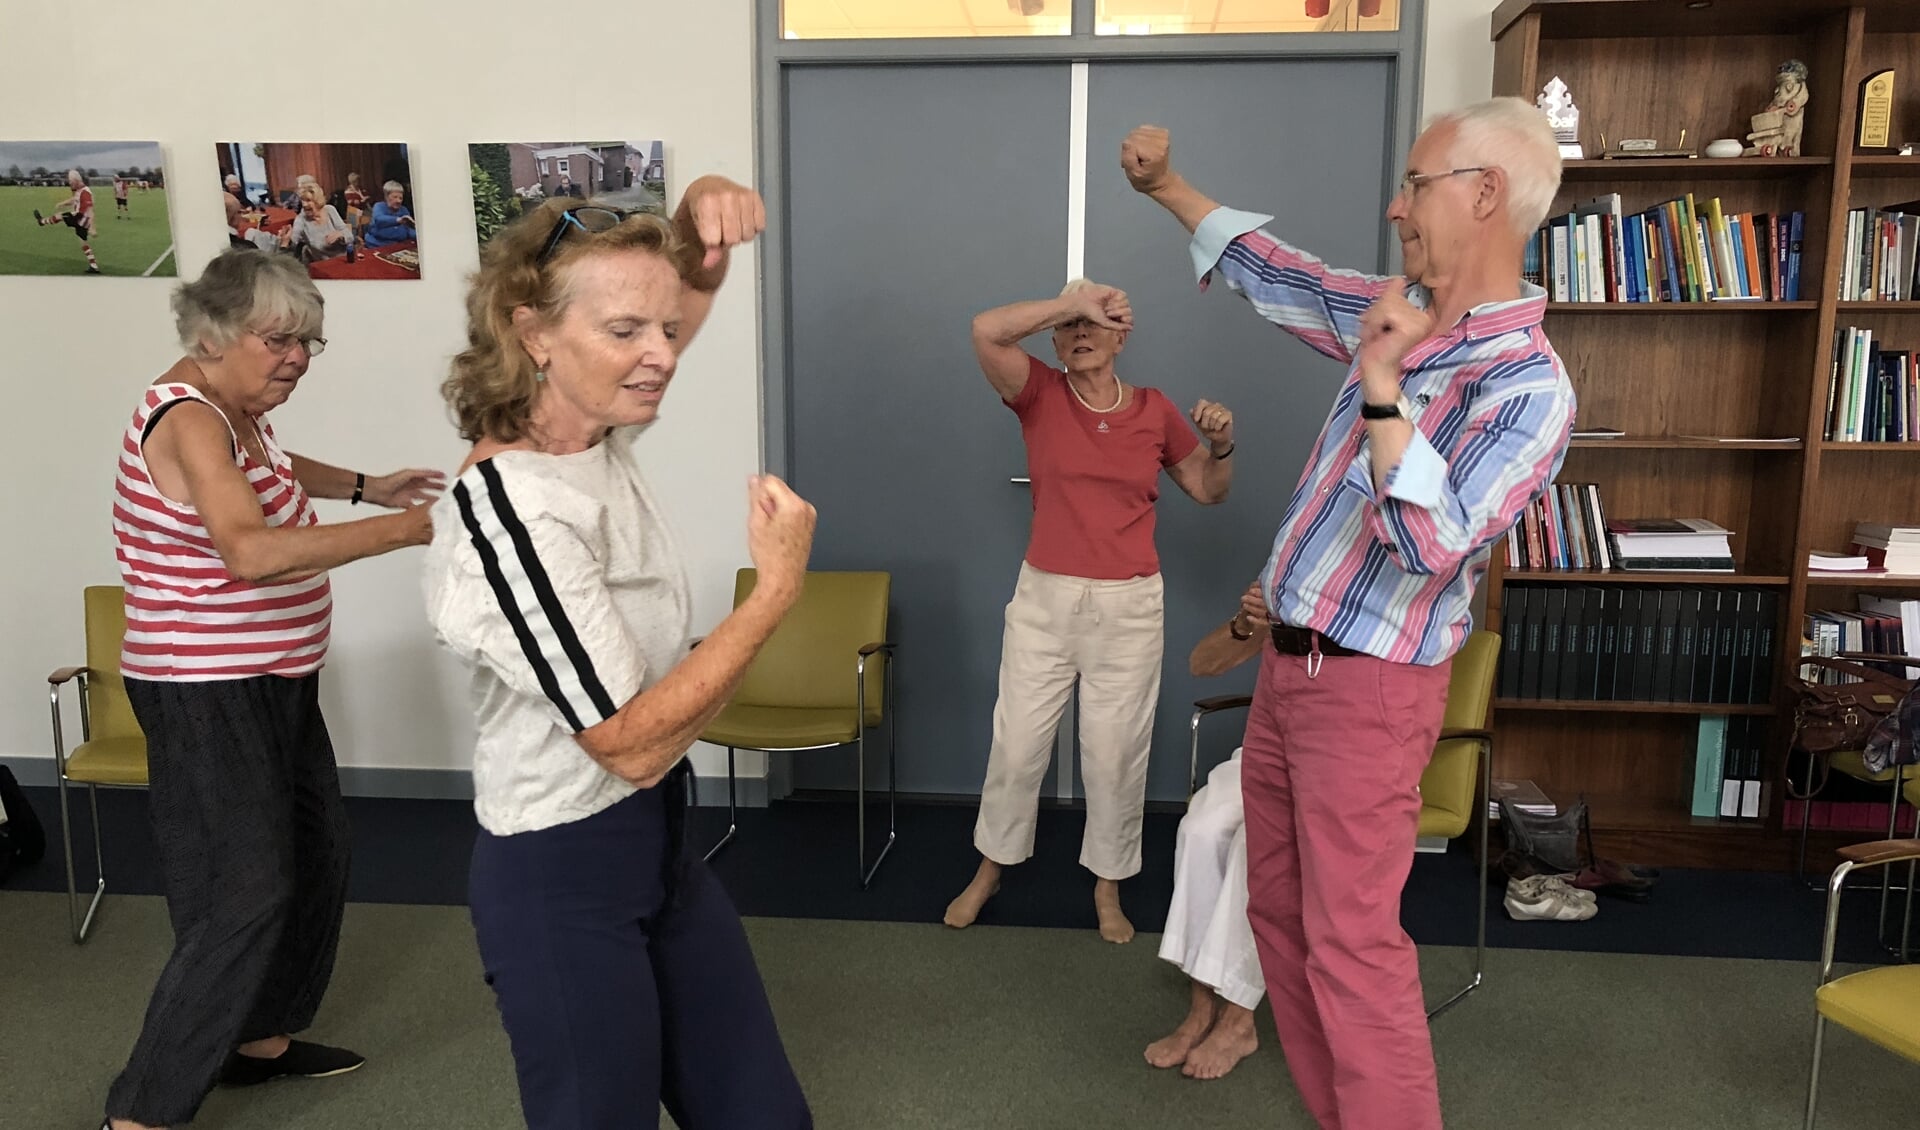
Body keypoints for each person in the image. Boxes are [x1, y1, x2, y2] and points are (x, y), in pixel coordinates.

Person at [1121, 97, 1575, 1130]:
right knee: (1279, 918)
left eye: (1415, 184)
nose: (1395, 205)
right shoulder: (1398, 304)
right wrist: (1166, 189)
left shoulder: (1526, 386)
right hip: (1289, 673)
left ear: (1486, 193)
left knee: (1354, 947)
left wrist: (1381, 383)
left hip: (1370, 690)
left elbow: (1428, 546)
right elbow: (1283, 275)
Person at [423, 179, 813, 1129]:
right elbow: (631, 742)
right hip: (561, 870)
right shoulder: (513, 512)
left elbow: (668, 305)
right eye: (627, 333)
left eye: (668, 330)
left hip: (659, 838)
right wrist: (775, 594)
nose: (661, 358)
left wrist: (696, 225)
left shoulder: (590, 430)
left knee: (762, 1117)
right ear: (535, 335)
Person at [101, 249, 446, 1130]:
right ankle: (139, 1113)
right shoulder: (188, 418)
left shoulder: (235, 411)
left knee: (317, 852)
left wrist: (369, 487)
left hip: (274, 678)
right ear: (215, 333)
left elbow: (279, 472)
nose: (296, 357)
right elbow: (249, 551)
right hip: (205, 689)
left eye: (309, 343)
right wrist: (406, 531)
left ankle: (259, 1041)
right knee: (242, 893)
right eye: (280, 340)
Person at [943, 279, 1237, 944]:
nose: (1079, 336)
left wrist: (1222, 446)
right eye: (1069, 328)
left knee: (1113, 755)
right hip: (1045, 599)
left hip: (1129, 605)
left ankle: (1108, 883)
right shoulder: (1039, 394)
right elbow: (985, 329)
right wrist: (1070, 299)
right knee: (1017, 746)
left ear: (1120, 336)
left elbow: (1209, 492)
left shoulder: (1155, 411)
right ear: (1054, 336)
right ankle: (991, 868)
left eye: (1094, 326)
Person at [1145, 581, 1269, 1082]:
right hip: (1270, 745)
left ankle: (1239, 1019)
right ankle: (1201, 1009)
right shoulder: (1303, 569)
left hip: (1341, 754)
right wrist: (1248, 622)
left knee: (1252, 845)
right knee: (1199, 828)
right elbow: (1202, 663)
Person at [33, 168, 100, 273]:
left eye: (71, 181)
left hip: (81, 217)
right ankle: (94, 266)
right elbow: (74, 200)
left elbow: (90, 211)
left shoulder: (85, 192)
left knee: (60, 216)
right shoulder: (78, 190)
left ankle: (42, 222)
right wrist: (63, 203)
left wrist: (93, 228)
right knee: (83, 242)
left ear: (77, 180)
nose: (70, 184)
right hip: (80, 218)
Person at [281, 184, 353, 261]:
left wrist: (341, 234)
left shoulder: (330, 210)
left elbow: (350, 236)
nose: (304, 204)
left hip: (344, 259)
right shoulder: (301, 220)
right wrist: (286, 241)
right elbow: (293, 241)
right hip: (323, 264)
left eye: (308, 200)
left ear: (318, 201)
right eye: (302, 200)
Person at [362, 180, 415, 248]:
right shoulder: (379, 206)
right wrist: (398, 220)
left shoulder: (404, 210)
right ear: (386, 197)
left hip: (398, 245)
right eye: (395, 197)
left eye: (400, 198)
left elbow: (409, 230)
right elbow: (379, 219)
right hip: (377, 245)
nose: (398, 201)